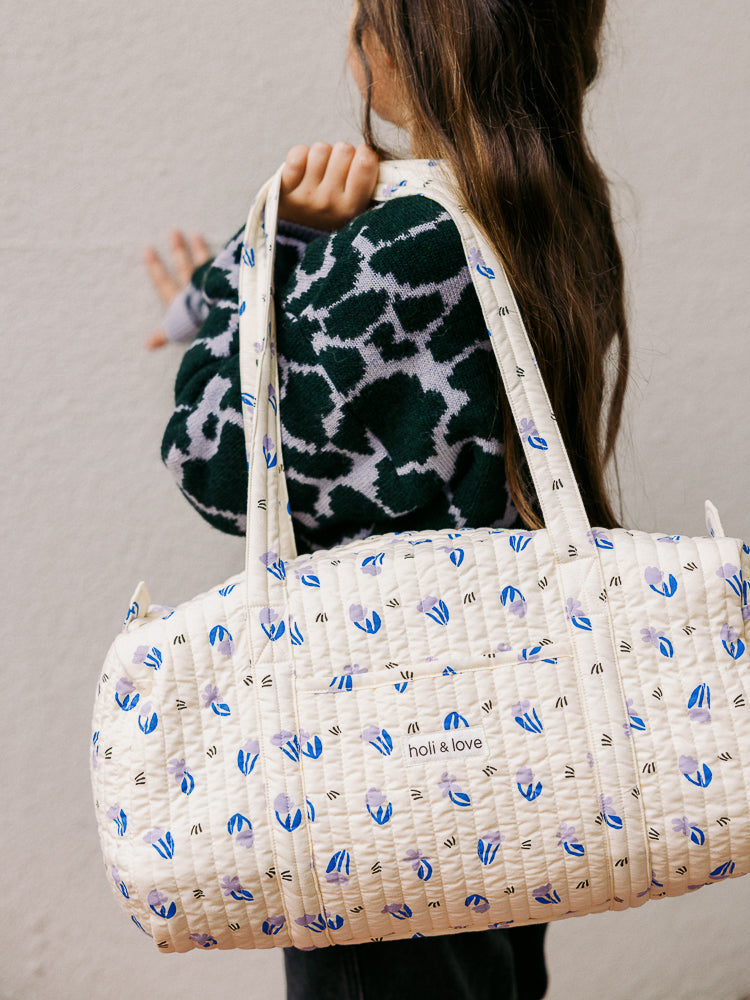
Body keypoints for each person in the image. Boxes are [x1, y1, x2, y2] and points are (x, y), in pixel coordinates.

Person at [145, 1, 629, 996]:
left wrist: (272, 251)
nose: (353, 35)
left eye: (372, 14)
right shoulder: (544, 219)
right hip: (504, 741)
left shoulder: (406, 240)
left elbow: (216, 460)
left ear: (439, 42)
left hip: (382, 758)